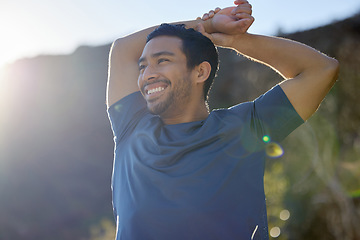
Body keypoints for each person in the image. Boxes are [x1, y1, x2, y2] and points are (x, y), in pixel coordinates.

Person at [106, 1, 339, 239]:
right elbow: (123, 48)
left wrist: (231, 40)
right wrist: (206, 24)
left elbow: (322, 69)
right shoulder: (131, 126)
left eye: (162, 61)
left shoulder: (247, 128)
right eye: (143, 66)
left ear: (200, 72)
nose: (147, 74)